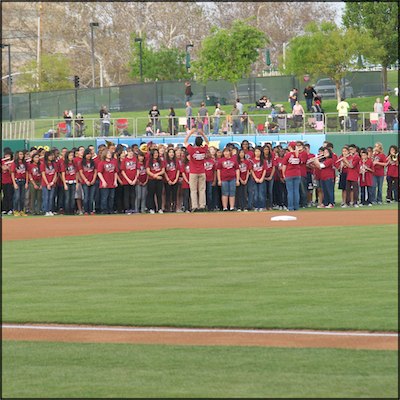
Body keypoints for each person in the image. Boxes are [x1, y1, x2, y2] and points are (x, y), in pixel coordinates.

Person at [184, 127, 209, 212]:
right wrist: (202, 134)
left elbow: (185, 142)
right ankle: (202, 205)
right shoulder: (203, 149)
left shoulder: (192, 150)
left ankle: (194, 206)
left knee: (193, 190)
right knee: (202, 189)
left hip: (193, 172)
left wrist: (190, 133)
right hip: (202, 171)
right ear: (201, 143)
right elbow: (208, 142)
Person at [282, 141, 306, 211]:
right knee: (296, 191)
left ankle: (290, 207)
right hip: (297, 173)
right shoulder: (298, 155)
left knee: (290, 191)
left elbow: (284, 166)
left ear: (290, 147)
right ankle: (296, 206)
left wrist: (283, 174)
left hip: (289, 174)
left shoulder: (288, 155)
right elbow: (301, 162)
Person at [216, 147, 240, 211]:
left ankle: (232, 207)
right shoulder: (220, 160)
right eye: (225, 152)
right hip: (224, 179)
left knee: (232, 193)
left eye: (227, 151)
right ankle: (225, 207)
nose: (226, 153)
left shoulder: (234, 160)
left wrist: (237, 180)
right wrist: (219, 180)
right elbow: (218, 170)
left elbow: (237, 170)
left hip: (232, 178)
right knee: (224, 193)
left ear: (230, 152)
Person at [97, 149, 118, 214]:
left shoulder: (113, 162)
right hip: (105, 183)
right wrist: (103, 181)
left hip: (112, 182)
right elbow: (99, 173)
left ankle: (110, 209)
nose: (109, 154)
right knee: (104, 197)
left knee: (111, 197)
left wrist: (115, 181)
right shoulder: (102, 163)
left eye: (110, 153)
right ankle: (104, 210)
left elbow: (115, 172)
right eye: (108, 153)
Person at [146, 148, 165, 214]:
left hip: (159, 180)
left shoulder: (161, 161)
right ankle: (151, 208)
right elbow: (148, 171)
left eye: (157, 153)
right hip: (151, 180)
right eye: (154, 153)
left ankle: (159, 208)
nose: (156, 154)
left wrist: (157, 174)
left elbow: (163, 170)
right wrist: (155, 176)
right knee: (151, 194)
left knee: (159, 194)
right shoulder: (149, 161)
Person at [79, 148, 97, 215]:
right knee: (86, 197)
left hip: (92, 181)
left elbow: (95, 172)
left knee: (91, 197)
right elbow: (81, 173)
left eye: (90, 154)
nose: (89, 155)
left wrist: (93, 180)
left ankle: (91, 210)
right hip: (85, 182)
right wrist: (86, 180)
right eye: (87, 154)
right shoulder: (82, 162)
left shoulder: (93, 162)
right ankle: (86, 210)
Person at [10, 150, 28, 216]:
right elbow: (12, 173)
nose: (21, 156)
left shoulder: (24, 163)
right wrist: (14, 183)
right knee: (17, 197)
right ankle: (15, 210)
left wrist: (26, 182)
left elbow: (26, 173)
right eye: (20, 154)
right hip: (17, 180)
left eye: (22, 154)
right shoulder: (14, 163)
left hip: (23, 181)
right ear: (17, 155)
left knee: (22, 197)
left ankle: (21, 210)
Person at [120, 147, 138, 214]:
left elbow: (137, 170)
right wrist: (128, 180)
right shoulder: (125, 160)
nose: (131, 153)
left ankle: (133, 208)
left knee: (133, 195)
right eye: (129, 152)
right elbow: (122, 171)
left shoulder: (135, 160)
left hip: (133, 180)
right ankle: (127, 209)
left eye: (131, 152)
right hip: (126, 181)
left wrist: (135, 179)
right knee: (126, 195)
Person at [40, 150, 58, 216]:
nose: (51, 157)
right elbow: (43, 174)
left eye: (52, 155)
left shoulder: (54, 164)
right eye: (50, 156)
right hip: (45, 184)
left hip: (52, 183)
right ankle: (45, 210)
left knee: (51, 198)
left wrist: (52, 182)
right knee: (46, 197)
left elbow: (56, 174)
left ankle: (50, 210)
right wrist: (47, 183)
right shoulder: (43, 164)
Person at [164, 148, 180, 212]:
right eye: (170, 152)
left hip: (175, 180)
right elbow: (164, 171)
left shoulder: (176, 161)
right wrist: (168, 180)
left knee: (174, 194)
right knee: (168, 194)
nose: (171, 154)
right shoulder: (165, 161)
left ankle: (174, 208)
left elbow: (178, 170)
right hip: (167, 180)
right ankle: (168, 207)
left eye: (172, 152)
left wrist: (176, 179)